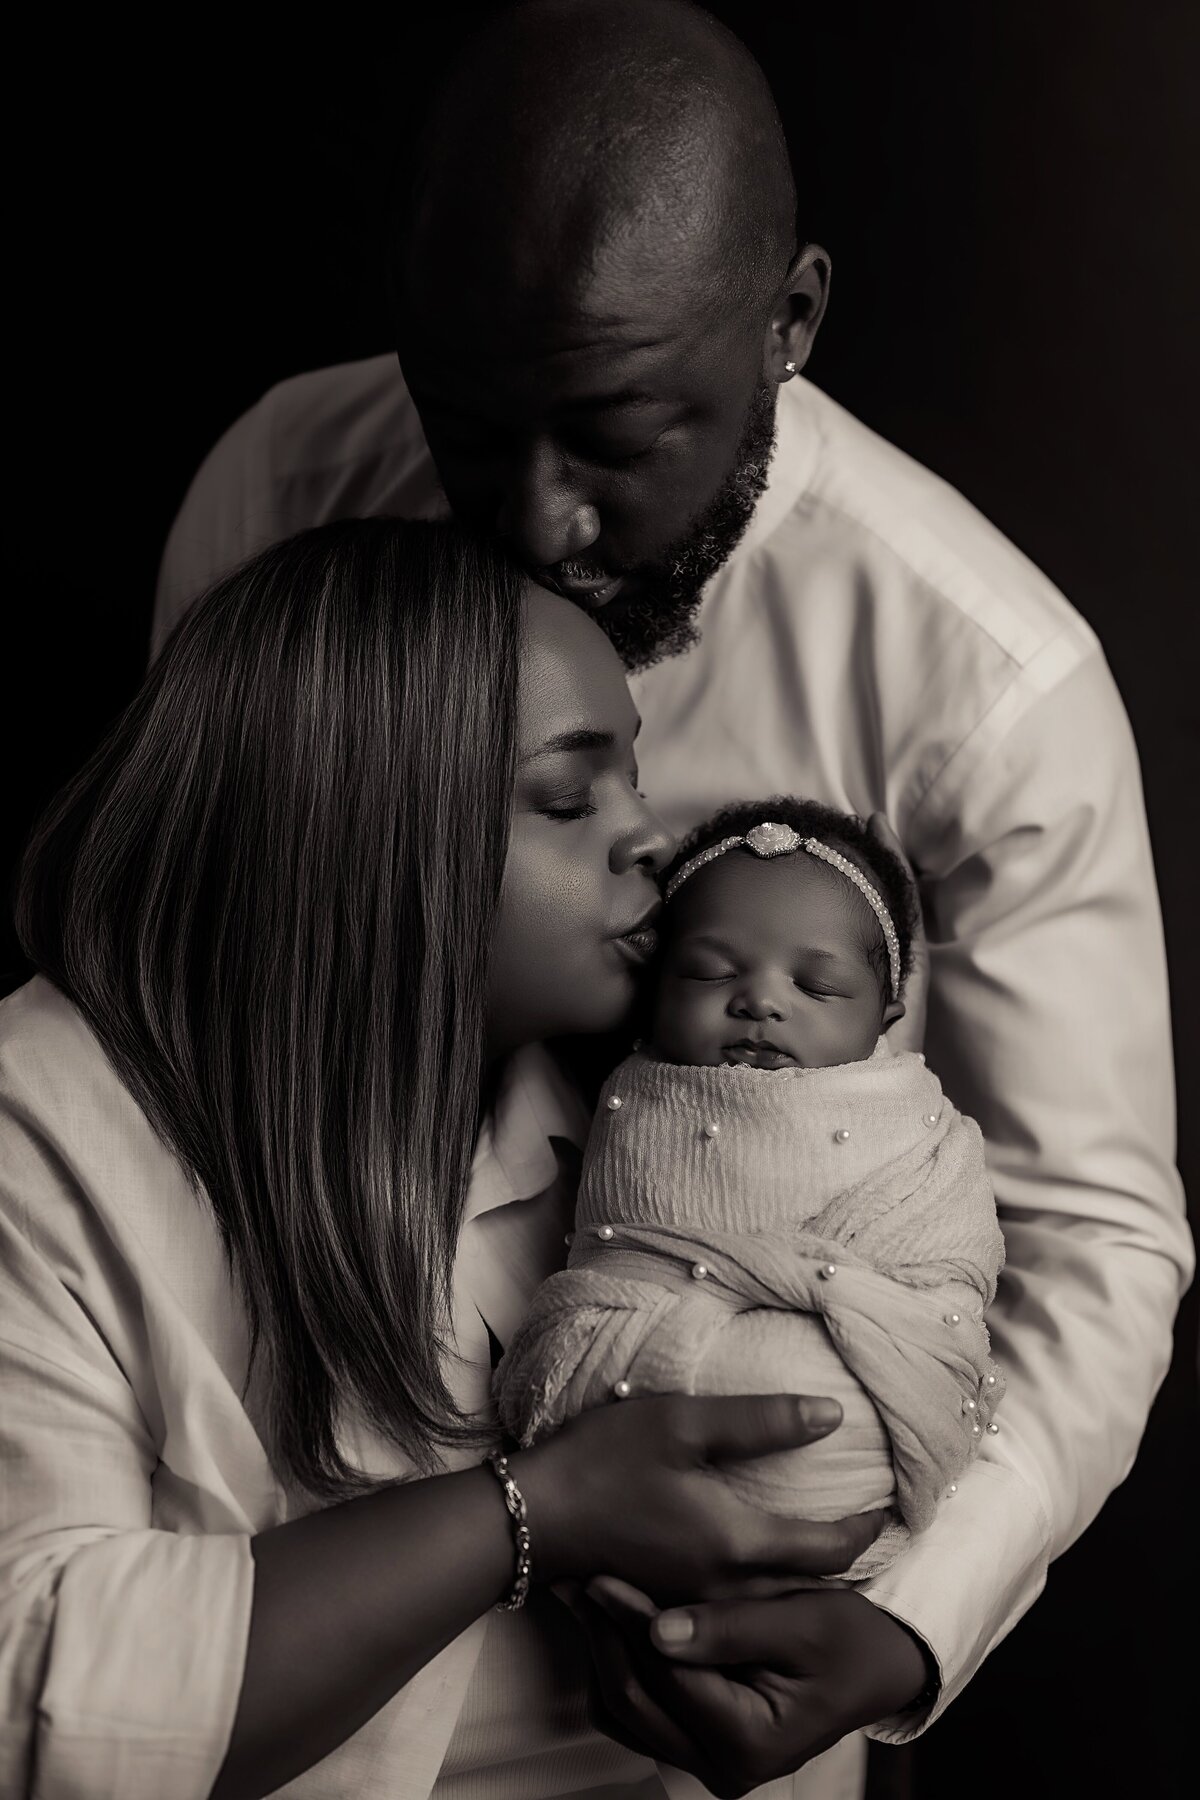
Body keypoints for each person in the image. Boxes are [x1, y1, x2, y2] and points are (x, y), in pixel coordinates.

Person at [149, 0, 1191, 1784]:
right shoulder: (278, 491)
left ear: (789, 321)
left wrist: (907, 1619)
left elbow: (1095, 1241)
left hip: (690, 1670)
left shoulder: (986, 690)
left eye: (615, 434)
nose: (535, 518)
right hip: (262, 1581)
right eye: (467, 423)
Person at [0, 517, 920, 1800]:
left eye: (635, 781)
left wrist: (897, 1628)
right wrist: (526, 1514)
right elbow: (36, 1690)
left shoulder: (680, 1096)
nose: (652, 839)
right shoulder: (41, 1120)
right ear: (360, 836)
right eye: (566, 796)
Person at [497, 798, 1005, 1586]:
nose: (761, 1001)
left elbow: (948, 1266)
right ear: (654, 989)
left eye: (819, 985)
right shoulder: (632, 1098)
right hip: (624, 1430)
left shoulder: (921, 1130)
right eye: (710, 971)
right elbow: (615, 1258)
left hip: (867, 1404)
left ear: (888, 1016)